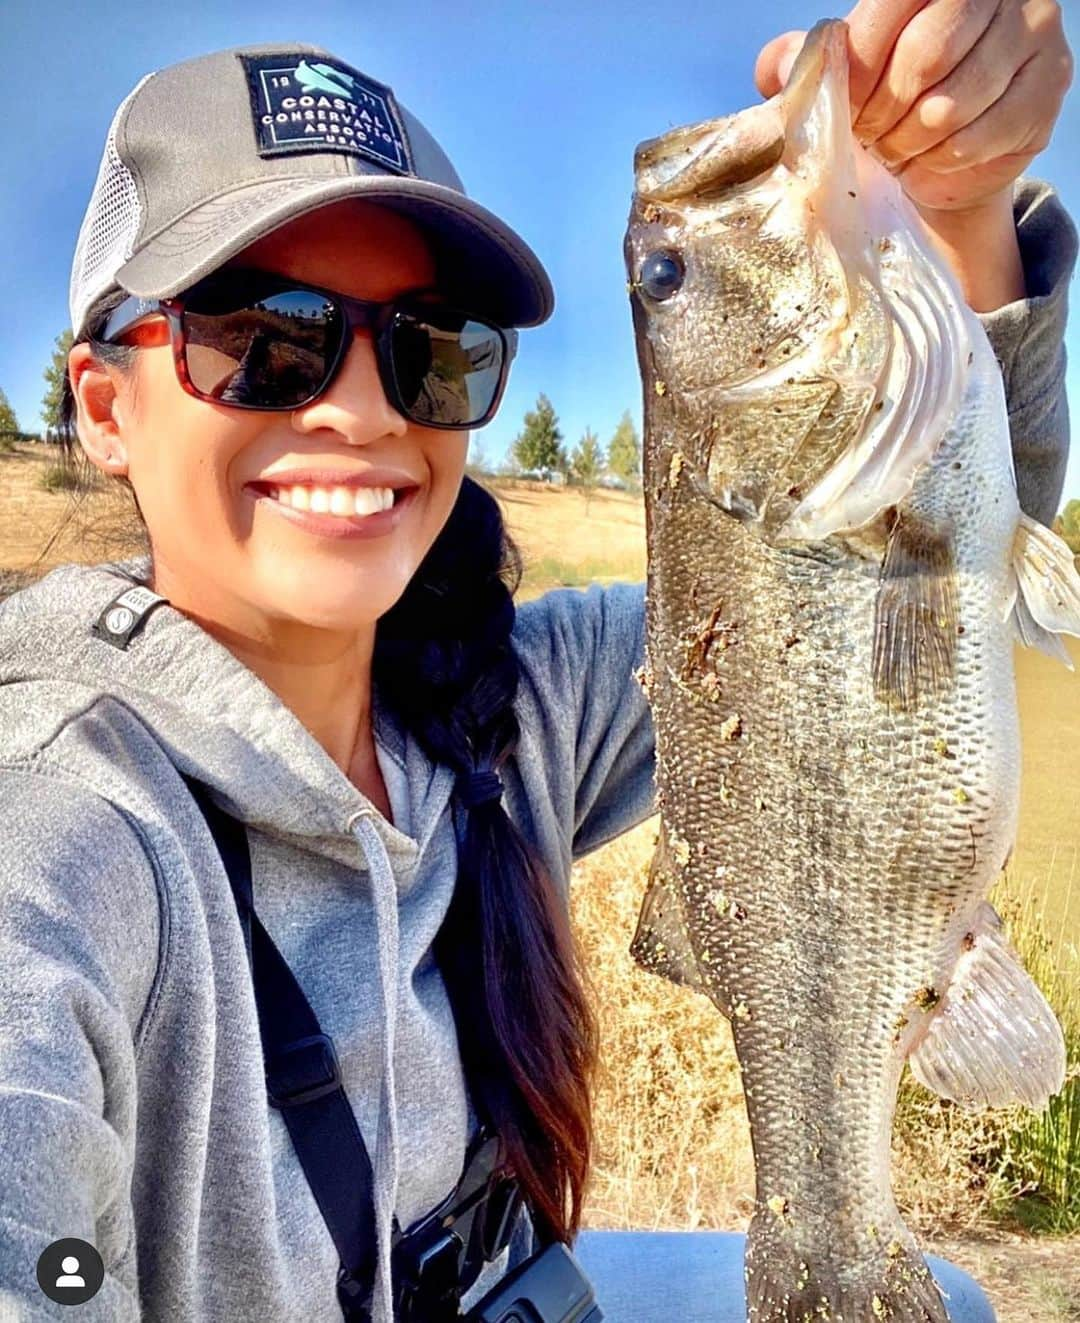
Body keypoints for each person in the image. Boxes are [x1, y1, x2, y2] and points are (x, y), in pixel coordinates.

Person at [0, 1, 1073, 1318]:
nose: (355, 406)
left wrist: (964, 218)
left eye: (429, 350)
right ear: (105, 407)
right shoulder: (59, 840)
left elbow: (929, 574)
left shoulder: (510, 702)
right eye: (265, 338)